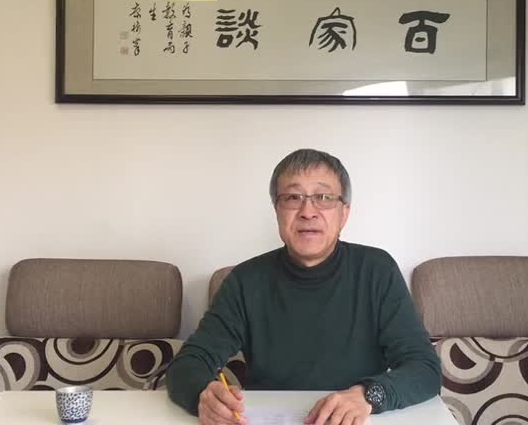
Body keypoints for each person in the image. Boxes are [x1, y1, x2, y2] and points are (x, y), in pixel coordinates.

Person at [166, 149, 441, 425]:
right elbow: (188, 363)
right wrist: (202, 394)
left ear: (344, 213)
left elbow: (425, 367)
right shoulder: (245, 281)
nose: (308, 212)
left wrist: (367, 395)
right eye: (292, 197)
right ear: (277, 211)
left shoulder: (377, 271)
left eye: (324, 197)